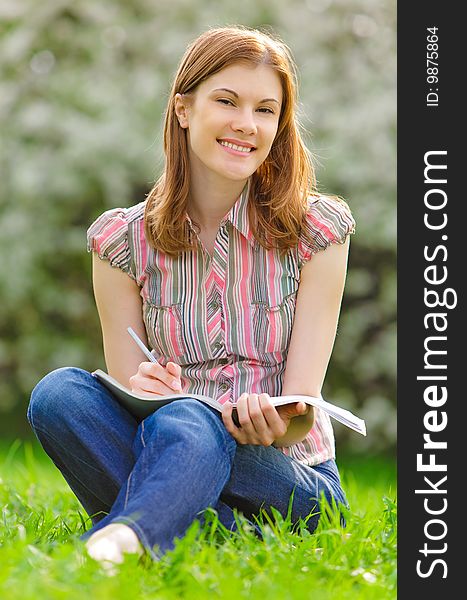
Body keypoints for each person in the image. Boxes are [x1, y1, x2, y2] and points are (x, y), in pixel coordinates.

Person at [27, 25, 355, 567]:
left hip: (291, 481)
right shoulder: (121, 244)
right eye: (227, 101)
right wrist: (146, 386)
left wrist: (272, 425)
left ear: (280, 123)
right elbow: (132, 395)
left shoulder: (315, 231)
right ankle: (204, 532)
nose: (246, 125)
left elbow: (303, 412)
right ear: (183, 109)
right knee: (59, 395)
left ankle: (126, 534)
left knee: (187, 419)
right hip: (171, 448)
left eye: (265, 110)